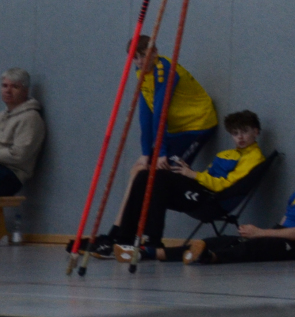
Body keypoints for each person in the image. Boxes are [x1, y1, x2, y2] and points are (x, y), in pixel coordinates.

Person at [92, 109, 266, 260]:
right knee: (144, 175)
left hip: (210, 199)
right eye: (235, 133)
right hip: (199, 188)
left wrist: (193, 175)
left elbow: (226, 185)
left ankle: (153, 242)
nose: (240, 137)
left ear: (256, 131)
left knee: (159, 179)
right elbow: (207, 177)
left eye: (244, 131)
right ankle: (125, 238)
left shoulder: (254, 157)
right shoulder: (226, 154)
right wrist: (188, 174)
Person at [187, 138, 295, 264]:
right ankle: (178, 252)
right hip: (284, 236)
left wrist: (260, 232)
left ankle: (210, 257)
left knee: (256, 246)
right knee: (232, 240)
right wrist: (260, 234)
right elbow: (283, 225)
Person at [133, 36, 217, 167]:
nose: (140, 61)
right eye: (135, 57)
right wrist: (145, 152)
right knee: (141, 168)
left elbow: (160, 112)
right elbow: (145, 113)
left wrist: (161, 153)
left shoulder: (164, 71)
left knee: (171, 169)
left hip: (197, 124)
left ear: (155, 52)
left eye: (143, 55)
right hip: (176, 129)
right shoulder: (140, 71)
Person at [0, 67, 44, 198]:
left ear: (25, 91)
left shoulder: (30, 118)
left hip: (10, 175)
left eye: (15, 87)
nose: (8, 91)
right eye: (4, 86)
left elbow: (18, 155)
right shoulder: (3, 116)